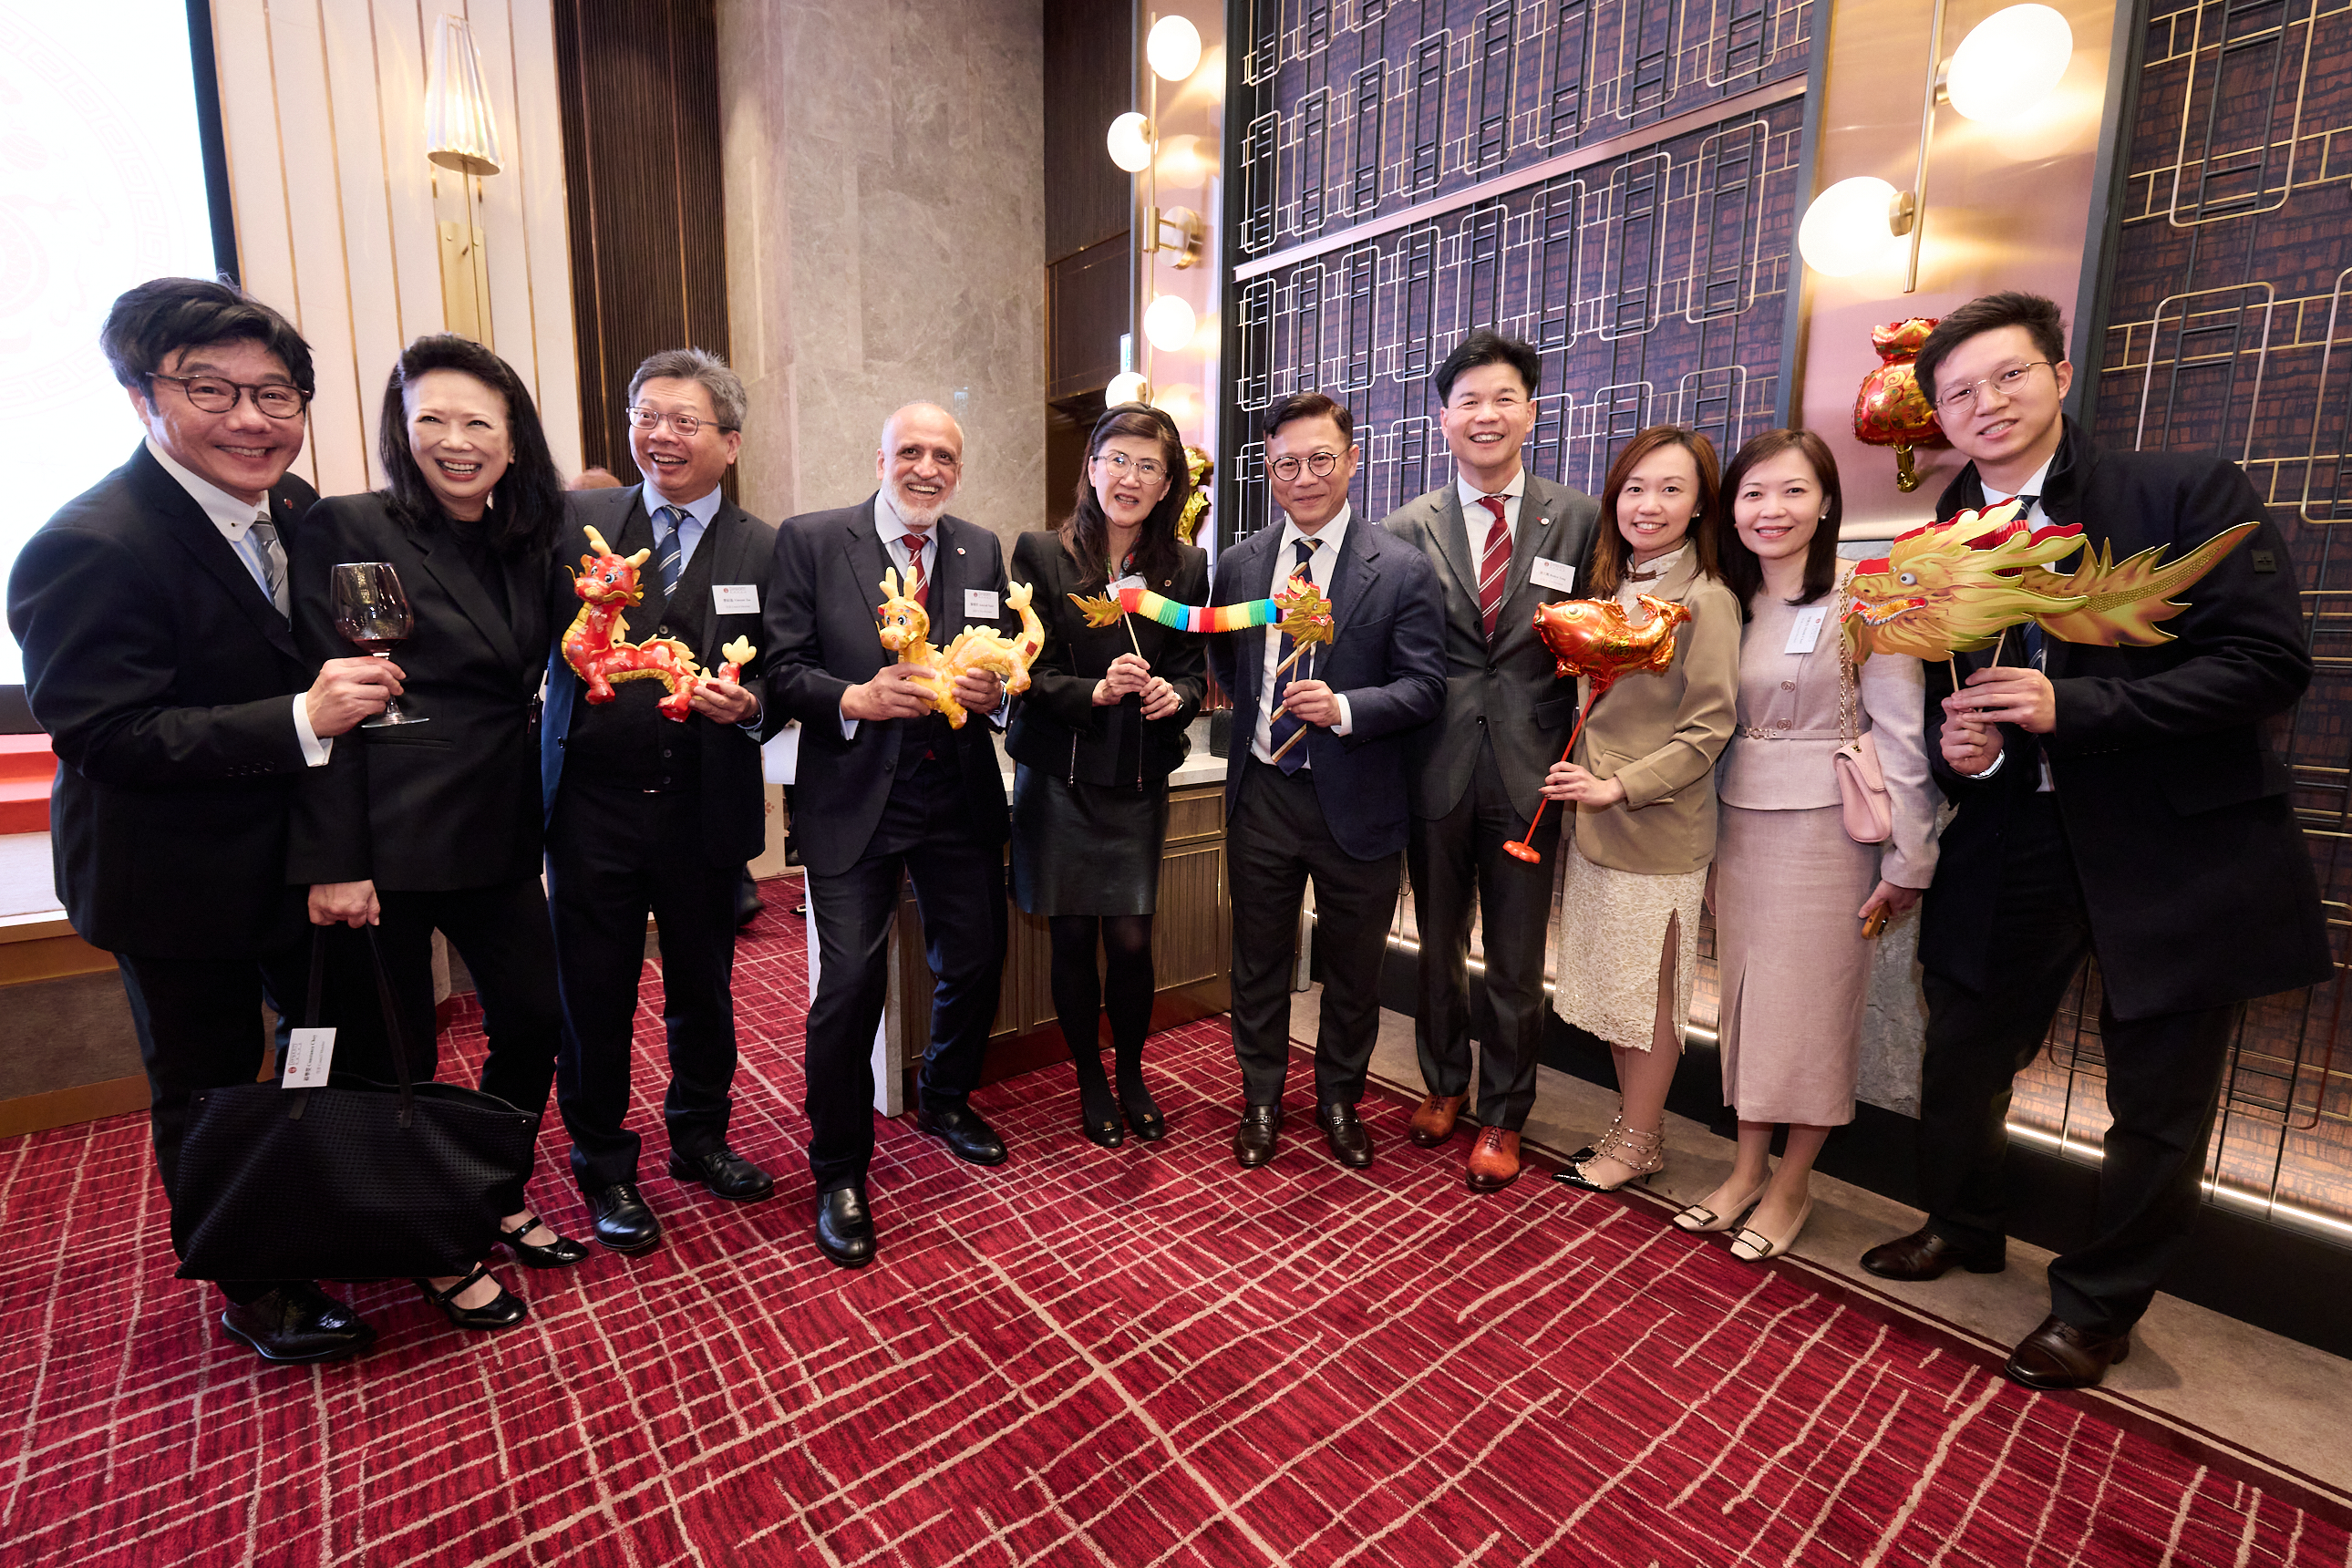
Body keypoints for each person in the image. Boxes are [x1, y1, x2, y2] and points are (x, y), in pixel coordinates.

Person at [1858, 292, 2328, 1389]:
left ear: (2060, 375)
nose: (1986, 403)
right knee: (1963, 1051)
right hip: (2012, 832)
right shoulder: (1931, 545)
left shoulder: (2180, 492)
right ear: (1938, 417)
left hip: (2171, 844)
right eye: (1958, 392)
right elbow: (1941, 709)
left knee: (2157, 1096)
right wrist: (1966, 756)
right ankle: (1965, 1223)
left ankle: (2098, 1305)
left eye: (2008, 375)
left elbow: (2268, 666)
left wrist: (2078, 708)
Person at [7, 278, 401, 1364]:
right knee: (212, 1083)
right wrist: (300, 715)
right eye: (211, 390)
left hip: (298, 860)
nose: (250, 419)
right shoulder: (89, 542)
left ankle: (339, 1216)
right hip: (174, 876)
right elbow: (108, 733)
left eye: (276, 394)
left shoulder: (297, 509)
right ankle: (255, 1284)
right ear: (144, 395)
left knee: (332, 1047)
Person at [292, 334, 584, 1333]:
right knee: (397, 1052)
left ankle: (490, 1190)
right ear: (401, 430)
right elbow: (328, 708)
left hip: (496, 826)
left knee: (536, 1021)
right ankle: (429, 1238)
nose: (456, 441)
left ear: (513, 438)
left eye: (478, 423)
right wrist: (336, 861)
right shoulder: (349, 526)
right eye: (433, 420)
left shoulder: (528, 539)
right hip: (385, 838)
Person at [764, 402, 1021, 1268]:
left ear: (959, 470)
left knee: (976, 959)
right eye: (910, 451)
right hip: (853, 796)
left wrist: (995, 695)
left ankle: (944, 1097)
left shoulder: (979, 548)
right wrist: (854, 697)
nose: (926, 468)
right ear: (880, 460)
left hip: (956, 796)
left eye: (944, 455)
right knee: (849, 987)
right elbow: (782, 670)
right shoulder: (810, 540)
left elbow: (1000, 657)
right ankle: (838, 1169)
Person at [541, 348, 778, 1253]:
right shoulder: (578, 523)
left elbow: (789, 668)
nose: (661, 435)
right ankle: (603, 1162)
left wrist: (753, 706)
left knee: (703, 991)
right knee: (594, 994)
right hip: (592, 809)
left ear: (730, 441)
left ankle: (700, 1137)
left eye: (684, 420)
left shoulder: (766, 547)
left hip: (701, 807)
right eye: (648, 416)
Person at [1681, 429, 1939, 1261]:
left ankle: (1793, 1185)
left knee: (1814, 1010)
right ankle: (1745, 1169)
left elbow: (1902, 735)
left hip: (1831, 829)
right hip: (1737, 821)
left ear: (1827, 503)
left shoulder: (1870, 596)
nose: (1772, 510)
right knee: (1748, 1002)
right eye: (1753, 493)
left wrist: (1911, 858)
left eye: (1793, 491)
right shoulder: (1726, 599)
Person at [1380, 330, 1600, 1191]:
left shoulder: (1579, 519)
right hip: (1431, 761)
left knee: (1515, 954)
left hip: (1531, 767)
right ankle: (1444, 1083)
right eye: (1468, 400)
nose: (1486, 414)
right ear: (1443, 419)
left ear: (1531, 412)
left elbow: (1599, 637)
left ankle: (1505, 1114)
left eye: (1504, 398)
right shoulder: (1405, 529)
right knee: (1436, 942)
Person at [1209, 390, 1447, 1171]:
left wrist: (1344, 707)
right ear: (1268, 468)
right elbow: (1227, 669)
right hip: (1263, 794)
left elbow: (1426, 687)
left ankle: (1340, 1098)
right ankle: (1261, 1099)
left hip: (1359, 800)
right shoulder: (1240, 564)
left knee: (1352, 968)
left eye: (1320, 459)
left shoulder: (1402, 568)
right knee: (1258, 961)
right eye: (1286, 464)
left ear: (1352, 460)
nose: (1304, 477)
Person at [1542, 426, 1739, 1193]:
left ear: (1700, 506)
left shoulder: (1707, 600)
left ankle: (1641, 1140)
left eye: (1670, 489)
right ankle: (1633, 1128)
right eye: (1634, 488)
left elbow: (1708, 730)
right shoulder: (1614, 590)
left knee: (1649, 998)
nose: (1648, 505)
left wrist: (1618, 786)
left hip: (1656, 829)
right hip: (1595, 826)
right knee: (1616, 995)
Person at [1006, 404, 1209, 1146]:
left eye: (1149, 466)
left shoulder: (1185, 567)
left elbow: (1192, 672)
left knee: (1129, 940)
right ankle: (1089, 1078)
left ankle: (1130, 1072)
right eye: (1118, 459)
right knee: (1069, 939)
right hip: (1060, 780)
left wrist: (1174, 696)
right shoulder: (1042, 554)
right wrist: (1092, 691)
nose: (1130, 477)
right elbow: (1025, 670)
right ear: (1092, 467)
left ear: (1167, 485)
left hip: (1135, 779)